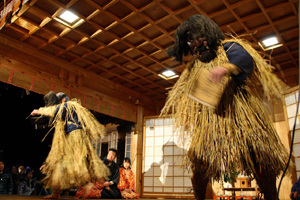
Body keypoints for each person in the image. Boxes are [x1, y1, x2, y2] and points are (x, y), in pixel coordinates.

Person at [160, 14, 289, 200]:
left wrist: (226, 68)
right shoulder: (194, 66)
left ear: (209, 33)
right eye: (190, 41)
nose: (195, 43)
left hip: (240, 112)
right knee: (199, 162)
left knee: (259, 155)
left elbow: (245, 60)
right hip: (209, 120)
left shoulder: (228, 47)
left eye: (198, 37)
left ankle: (271, 195)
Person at [30, 91, 110, 199]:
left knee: (73, 163)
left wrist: (39, 111)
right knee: (62, 164)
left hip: (75, 136)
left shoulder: (69, 105)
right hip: (73, 136)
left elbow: (57, 110)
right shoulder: (70, 110)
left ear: (62, 100)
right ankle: (56, 193)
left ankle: (87, 184)